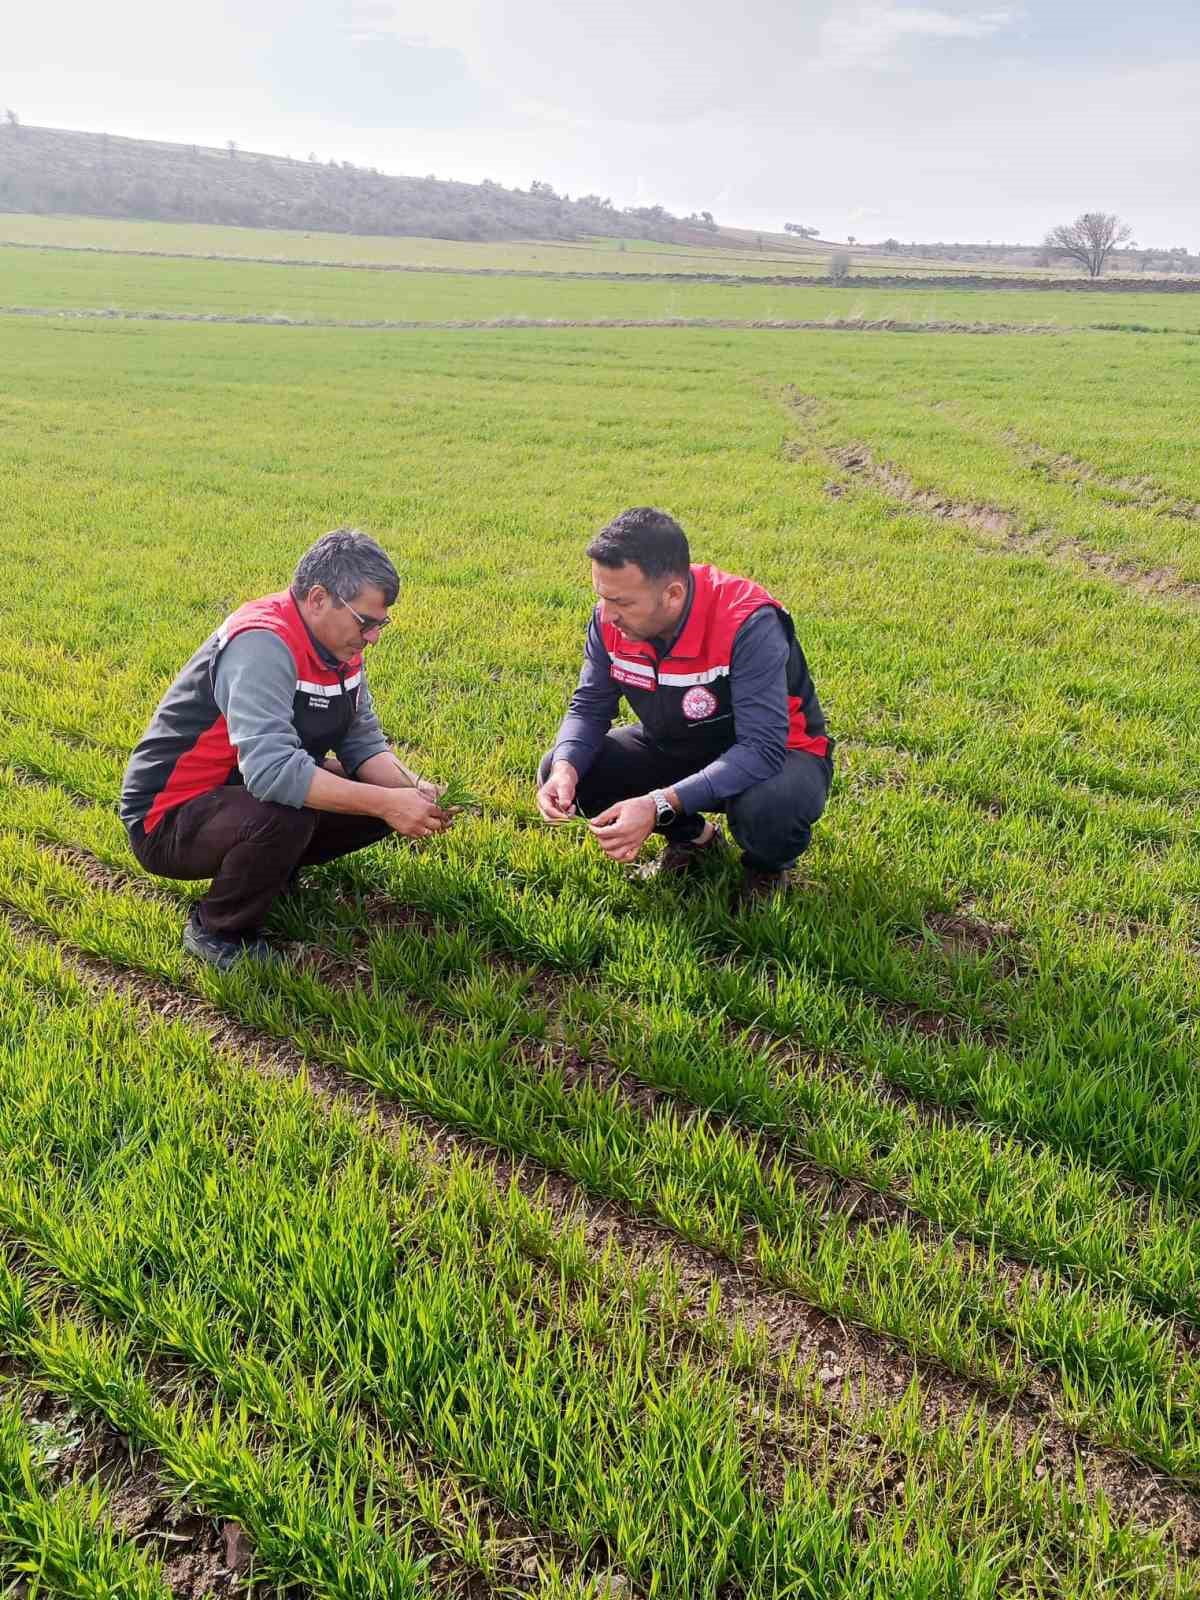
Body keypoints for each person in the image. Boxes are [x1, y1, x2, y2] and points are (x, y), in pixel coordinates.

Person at [120, 528, 453, 969]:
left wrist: (414, 790)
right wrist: (388, 803)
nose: (373, 637)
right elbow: (273, 772)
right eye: (365, 621)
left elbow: (362, 743)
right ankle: (218, 930)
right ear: (318, 599)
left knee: (373, 801)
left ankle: (269, 869)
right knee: (287, 812)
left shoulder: (340, 645)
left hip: (238, 796)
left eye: (380, 624)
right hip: (170, 817)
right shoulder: (262, 644)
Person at [536, 507, 833, 897]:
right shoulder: (609, 622)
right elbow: (590, 706)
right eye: (602, 598)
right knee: (568, 766)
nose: (607, 616)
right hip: (678, 744)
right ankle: (694, 840)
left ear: (673, 594)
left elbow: (761, 749)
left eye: (622, 602)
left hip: (778, 755)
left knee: (771, 804)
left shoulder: (747, 623)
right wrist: (565, 769)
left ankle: (766, 868)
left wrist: (657, 802)